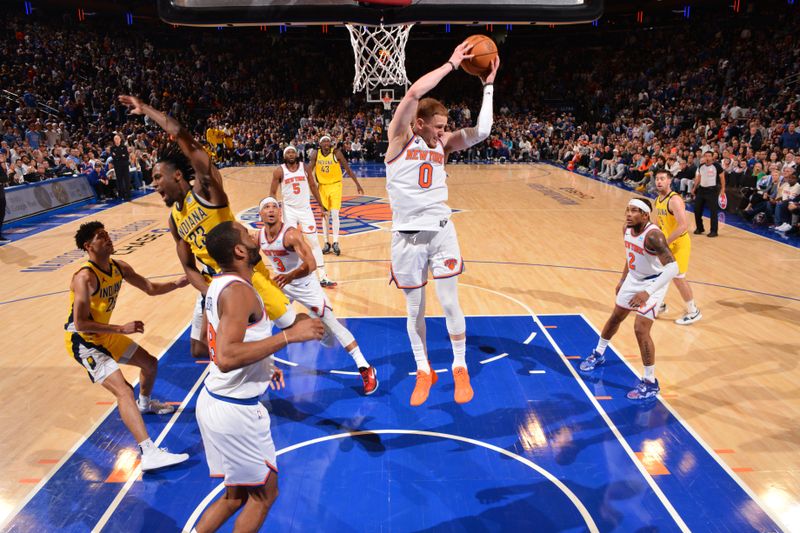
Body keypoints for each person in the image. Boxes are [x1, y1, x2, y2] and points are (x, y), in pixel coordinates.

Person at [119, 95, 295, 360]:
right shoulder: (173, 220)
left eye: (157, 177)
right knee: (202, 349)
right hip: (213, 282)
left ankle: (321, 329)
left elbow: (181, 134)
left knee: (291, 324)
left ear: (177, 175)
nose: (153, 184)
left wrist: (144, 109)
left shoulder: (206, 189)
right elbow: (188, 267)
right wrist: (208, 291)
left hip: (245, 272)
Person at [384, 41, 499, 406]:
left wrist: (489, 84)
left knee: (450, 303)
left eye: (445, 127)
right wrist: (451, 64)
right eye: (437, 126)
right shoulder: (399, 139)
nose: (442, 132)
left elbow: (482, 131)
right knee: (414, 309)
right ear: (418, 123)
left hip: (441, 232)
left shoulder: (443, 145)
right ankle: (423, 370)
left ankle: (459, 367)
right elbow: (415, 91)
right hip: (405, 239)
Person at [195, 221, 323, 533]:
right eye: (246, 234)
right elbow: (225, 357)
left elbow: (213, 343)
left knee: (235, 497)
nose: (254, 235)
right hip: (234, 411)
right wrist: (288, 337)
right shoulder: (239, 292)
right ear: (240, 251)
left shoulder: (219, 284)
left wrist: (264, 363)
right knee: (265, 495)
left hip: (216, 400)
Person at [65, 221, 190, 471]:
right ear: (89, 246)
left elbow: (151, 288)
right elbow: (80, 324)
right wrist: (120, 328)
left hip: (105, 335)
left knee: (150, 364)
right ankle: (149, 452)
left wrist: (177, 284)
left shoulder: (119, 267)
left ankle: (145, 404)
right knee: (123, 390)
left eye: (108, 233)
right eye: (102, 236)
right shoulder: (84, 277)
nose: (108, 238)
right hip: (84, 342)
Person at [257, 197, 378, 394]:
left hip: (305, 284)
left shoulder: (291, 235)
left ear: (280, 212)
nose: (270, 210)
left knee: (332, 332)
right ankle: (260, 370)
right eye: (266, 207)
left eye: (274, 207)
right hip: (283, 286)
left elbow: (311, 264)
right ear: (260, 214)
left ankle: (365, 367)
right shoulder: (258, 237)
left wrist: (290, 276)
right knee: (264, 323)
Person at [579, 199, 680, 400]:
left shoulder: (653, 236)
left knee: (640, 329)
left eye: (634, 211)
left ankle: (650, 383)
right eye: (627, 210)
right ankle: (598, 353)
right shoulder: (626, 228)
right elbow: (630, 253)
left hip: (654, 284)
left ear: (645, 215)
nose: (628, 214)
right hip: (633, 279)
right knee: (616, 316)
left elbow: (673, 268)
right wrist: (623, 279)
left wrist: (648, 292)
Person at [269, 146, 336, 288]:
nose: (291, 154)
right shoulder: (279, 171)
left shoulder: (304, 168)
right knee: (291, 244)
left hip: (305, 210)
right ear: (284, 155)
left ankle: (322, 276)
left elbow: (313, 185)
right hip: (289, 212)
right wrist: (273, 209)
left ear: (297, 154)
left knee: (314, 242)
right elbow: (273, 193)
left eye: (293, 152)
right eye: (288, 152)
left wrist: (321, 206)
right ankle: (294, 276)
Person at [653, 171, 702, 325]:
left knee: (678, 278)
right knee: (658, 273)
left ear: (669, 181)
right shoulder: (658, 200)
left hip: (679, 243)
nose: (659, 182)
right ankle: (659, 304)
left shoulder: (674, 200)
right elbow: (657, 223)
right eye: (657, 179)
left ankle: (693, 311)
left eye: (662, 179)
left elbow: (683, 226)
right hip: (667, 245)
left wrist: (665, 242)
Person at [309, 135, 364, 256]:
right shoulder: (315, 154)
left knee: (334, 214)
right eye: (324, 141)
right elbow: (308, 171)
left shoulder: (336, 153)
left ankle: (335, 242)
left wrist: (357, 184)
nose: (326, 143)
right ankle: (326, 243)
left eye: (328, 141)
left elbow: (348, 169)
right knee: (324, 216)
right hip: (322, 187)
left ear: (331, 143)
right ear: (320, 144)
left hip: (335, 186)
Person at [691, 151, 725, 237]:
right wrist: (694, 187)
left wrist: (723, 189)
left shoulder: (717, 166)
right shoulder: (701, 166)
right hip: (701, 190)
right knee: (697, 209)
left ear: (713, 157)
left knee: (713, 212)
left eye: (709, 156)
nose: (707, 157)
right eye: (706, 156)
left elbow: (722, 177)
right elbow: (699, 177)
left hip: (712, 191)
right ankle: (700, 228)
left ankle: (714, 231)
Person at [111, 134, 132, 201]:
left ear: (120, 139)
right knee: (119, 181)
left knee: (127, 181)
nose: (116, 140)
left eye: (117, 138)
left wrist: (117, 155)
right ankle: (122, 195)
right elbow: (114, 157)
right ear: (114, 140)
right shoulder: (112, 148)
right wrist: (121, 155)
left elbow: (126, 156)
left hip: (125, 166)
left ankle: (128, 196)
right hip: (117, 167)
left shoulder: (124, 147)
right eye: (115, 139)